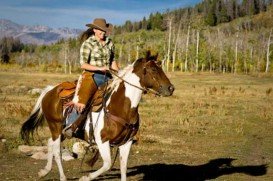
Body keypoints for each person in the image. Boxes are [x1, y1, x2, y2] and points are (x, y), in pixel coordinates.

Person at [63, 18, 119, 138]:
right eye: (100, 30)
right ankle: (71, 125)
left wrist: (119, 73)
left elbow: (113, 60)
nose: (102, 32)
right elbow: (83, 64)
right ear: (94, 30)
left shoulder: (110, 43)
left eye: (104, 30)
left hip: (108, 76)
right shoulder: (88, 43)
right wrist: (100, 68)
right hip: (92, 75)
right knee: (82, 101)